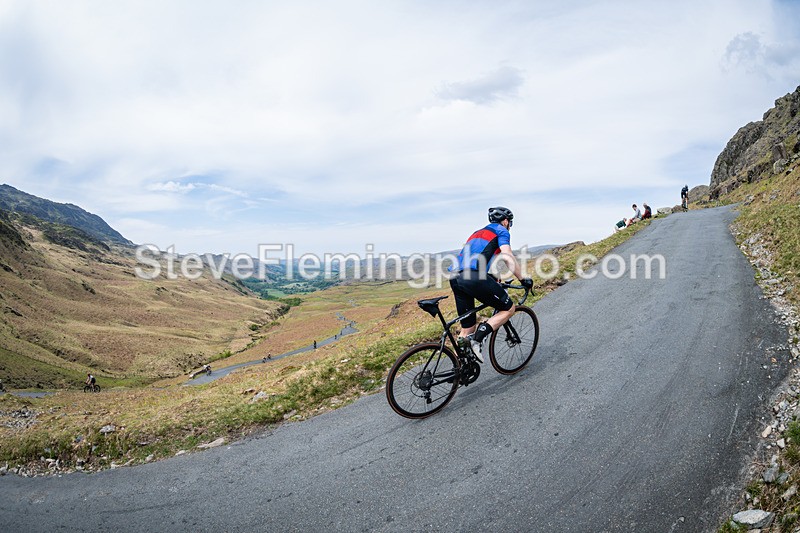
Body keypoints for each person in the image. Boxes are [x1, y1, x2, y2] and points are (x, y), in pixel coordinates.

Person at [448, 206, 533, 363]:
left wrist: (490, 277)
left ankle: (459, 367)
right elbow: (507, 256)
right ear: (505, 221)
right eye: (510, 223)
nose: (509, 226)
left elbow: (473, 259)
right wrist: (523, 279)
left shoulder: (477, 233)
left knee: (467, 328)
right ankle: (477, 339)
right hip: (472, 277)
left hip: (455, 277)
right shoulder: (502, 231)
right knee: (508, 308)